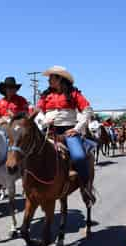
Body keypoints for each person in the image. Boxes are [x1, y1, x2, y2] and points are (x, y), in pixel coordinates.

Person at [37, 65, 95, 206]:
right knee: (30, 152)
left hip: (68, 132)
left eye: (52, 77)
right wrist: (44, 120)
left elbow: (87, 110)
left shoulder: (74, 93)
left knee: (79, 157)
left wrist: (77, 128)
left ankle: (85, 187)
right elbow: (38, 112)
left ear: (60, 79)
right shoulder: (45, 95)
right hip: (49, 131)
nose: (49, 80)